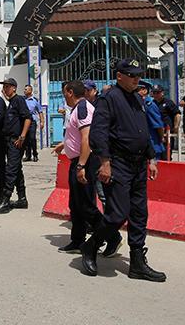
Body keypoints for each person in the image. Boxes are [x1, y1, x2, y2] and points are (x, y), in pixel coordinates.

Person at [80, 58, 166, 282]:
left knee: (139, 214)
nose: (137, 79)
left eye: (138, 75)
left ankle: (137, 263)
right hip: (118, 164)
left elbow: (142, 131)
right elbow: (98, 133)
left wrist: (152, 158)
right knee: (117, 214)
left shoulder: (137, 98)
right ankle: (91, 246)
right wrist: (105, 162)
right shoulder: (108, 99)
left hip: (138, 165)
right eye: (132, 75)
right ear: (120, 76)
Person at [58, 80, 123, 256]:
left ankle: (112, 236)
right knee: (76, 204)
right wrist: (64, 146)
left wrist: (81, 165)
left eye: (65, 92)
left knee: (86, 205)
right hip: (78, 160)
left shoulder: (83, 109)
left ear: (70, 92)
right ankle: (78, 240)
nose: (64, 96)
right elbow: (76, 136)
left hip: (85, 161)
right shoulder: (78, 109)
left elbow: (87, 138)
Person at [0, 77, 32, 214]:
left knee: (11, 170)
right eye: (4, 87)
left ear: (14, 87)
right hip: (9, 140)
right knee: (17, 170)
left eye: (7, 87)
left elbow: (27, 118)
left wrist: (22, 136)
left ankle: (6, 200)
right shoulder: (11, 102)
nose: (5, 89)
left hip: (16, 140)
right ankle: (22, 198)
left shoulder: (19, 100)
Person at [137, 82, 165, 160]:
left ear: (145, 91)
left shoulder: (149, 105)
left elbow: (159, 126)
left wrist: (162, 138)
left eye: (137, 90)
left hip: (152, 144)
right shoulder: (138, 104)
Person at [151, 85, 180, 160]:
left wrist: (176, 126)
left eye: (158, 92)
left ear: (162, 93)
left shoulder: (168, 102)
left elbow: (177, 114)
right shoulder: (151, 104)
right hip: (156, 132)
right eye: (154, 93)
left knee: (166, 153)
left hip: (167, 132)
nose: (156, 94)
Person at [23, 84, 44, 162]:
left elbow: (40, 111)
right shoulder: (22, 100)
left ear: (30, 91)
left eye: (26, 89)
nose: (24, 91)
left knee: (32, 138)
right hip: (24, 121)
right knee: (26, 139)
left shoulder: (35, 101)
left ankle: (35, 154)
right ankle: (28, 156)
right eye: (24, 89)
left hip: (32, 122)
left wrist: (42, 122)